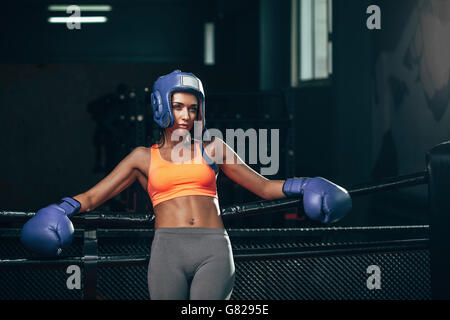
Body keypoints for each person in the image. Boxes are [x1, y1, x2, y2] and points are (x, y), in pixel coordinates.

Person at [20, 70, 352, 300]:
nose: (186, 115)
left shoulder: (214, 148)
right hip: (167, 250)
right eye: (178, 106)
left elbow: (264, 188)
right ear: (162, 107)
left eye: (192, 108)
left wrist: (307, 184)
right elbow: (93, 196)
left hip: (214, 248)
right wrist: (59, 210)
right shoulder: (142, 158)